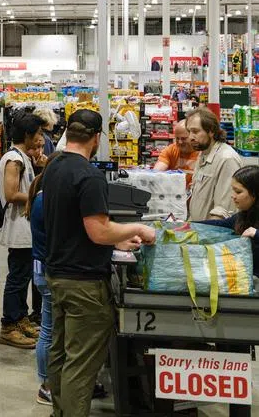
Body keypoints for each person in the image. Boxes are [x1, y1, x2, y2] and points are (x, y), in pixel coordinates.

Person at [44, 109, 157, 417]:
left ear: (68, 132)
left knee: (60, 354)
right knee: (80, 364)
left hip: (58, 275)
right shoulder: (89, 175)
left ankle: (59, 412)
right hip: (84, 284)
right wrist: (136, 229)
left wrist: (115, 240)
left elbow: (74, 224)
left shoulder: (54, 167)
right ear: (96, 138)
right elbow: (97, 230)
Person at [0, 112, 44, 349]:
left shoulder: (23, 157)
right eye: (37, 134)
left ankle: (21, 318)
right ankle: (8, 326)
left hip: (26, 228)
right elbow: (11, 194)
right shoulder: (13, 159)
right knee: (17, 278)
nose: (39, 139)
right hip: (19, 228)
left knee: (24, 276)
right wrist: (41, 196)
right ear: (27, 134)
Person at [186, 106, 244, 220]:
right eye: (189, 132)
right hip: (199, 229)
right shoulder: (203, 154)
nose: (190, 137)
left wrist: (207, 235)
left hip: (213, 233)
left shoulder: (227, 159)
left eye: (195, 131)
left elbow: (224, 211)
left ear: (211, 131)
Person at [28, 171, 54, 405]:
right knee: (48, 330)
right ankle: (46, 386)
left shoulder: (39, 197)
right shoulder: (46, 201)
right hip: (48, 272)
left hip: (40, 269)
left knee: (49, 329)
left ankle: (49, 383)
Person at [199, 165, 259, 265]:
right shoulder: (244, 215)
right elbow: (220, 223)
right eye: (233, 190)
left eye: (238, 192)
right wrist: (186, 225)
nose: (233, 196)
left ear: (255, 194)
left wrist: (256, 233)